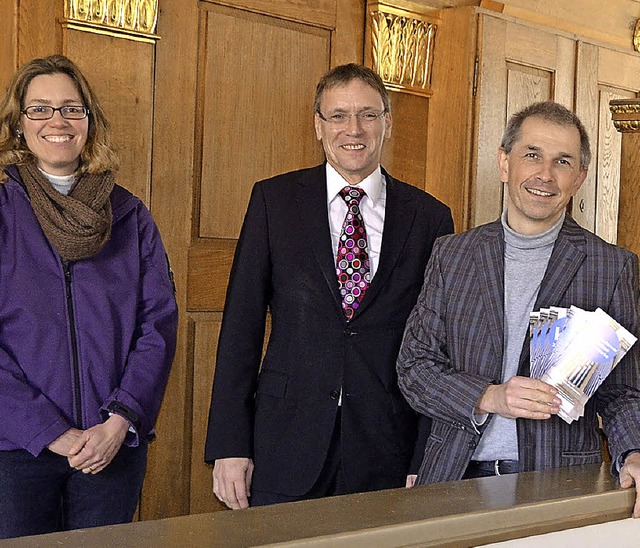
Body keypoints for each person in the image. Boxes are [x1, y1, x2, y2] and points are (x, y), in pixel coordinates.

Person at [205, 63, 454, 509]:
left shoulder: (430, 218)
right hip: (285, 443)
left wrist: (425, 454)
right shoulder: (274, 202)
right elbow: (240, 329)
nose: (353, 129)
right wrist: (229, 444)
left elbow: (438, 349)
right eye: (338, 116)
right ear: (318, 126)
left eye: (368, 115)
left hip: (387, 447)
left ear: (388, 123)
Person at [396, 101, 640, 517]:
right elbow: (414, 368)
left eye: (562, 161)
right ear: (504, 163)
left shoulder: (613, 267)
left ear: (579, 178)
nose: (545, 174)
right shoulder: (452, 255)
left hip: (556, 484)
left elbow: (625, 393)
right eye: (532, 155)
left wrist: (633, 450)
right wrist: (490, 397)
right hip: (453, 478)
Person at [0, 55, 178, 539]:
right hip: (17, 449)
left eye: (70, 108)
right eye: (39, 109)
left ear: (88, 122)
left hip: (111, 446)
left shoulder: (130, 214)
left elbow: (157, 325)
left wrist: (121, 420)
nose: (56, 121)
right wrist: (49, 431)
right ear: (18, 125)